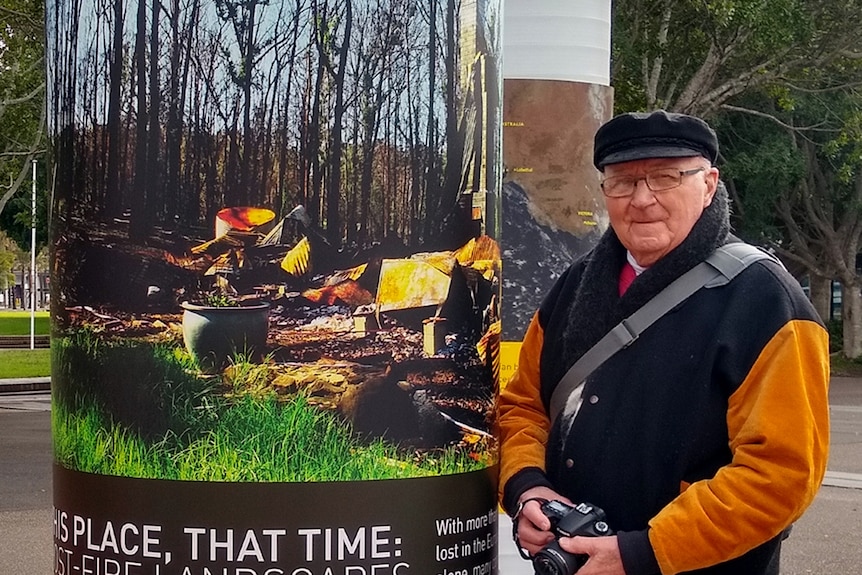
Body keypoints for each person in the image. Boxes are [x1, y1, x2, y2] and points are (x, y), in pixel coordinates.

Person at [497, 109, 830, 575]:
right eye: (622, 181)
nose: (642, 199)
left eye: (666, 177)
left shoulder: (765, 299)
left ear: (709, 183)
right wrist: (527, 486)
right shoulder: (573, 286)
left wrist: (641, 553)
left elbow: (781, 474)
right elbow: (523, 407)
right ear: (604, 191)